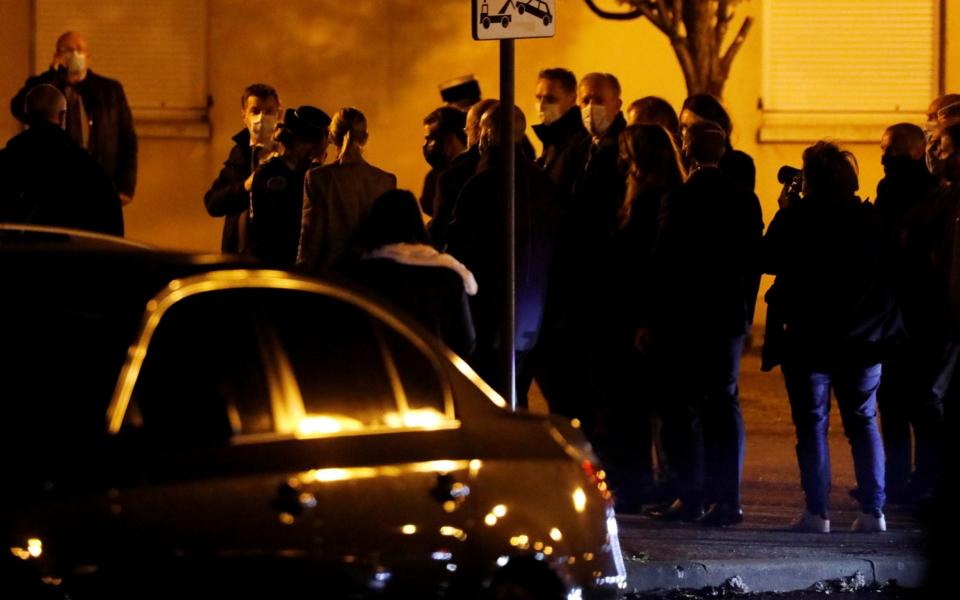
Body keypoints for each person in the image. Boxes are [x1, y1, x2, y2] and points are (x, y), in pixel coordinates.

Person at [762, 141, 902, 533]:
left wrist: (783, 210)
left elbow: (767, 259)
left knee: (811, 425)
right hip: (863, 340)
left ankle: (817, 512)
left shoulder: (797, 219)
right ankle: (874, 512)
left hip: (809, 340)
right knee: (864, 422)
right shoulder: (870, 219)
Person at [650, 120, 763, 526]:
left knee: (684, 409)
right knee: (724, 404)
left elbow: (664, 262)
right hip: (727, 316)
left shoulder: (679, 198)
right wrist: (745, 314)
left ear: (687, 151)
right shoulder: (745, 200)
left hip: (685, 316)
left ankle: (690, 494)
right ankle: (727, 499)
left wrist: (654, 317)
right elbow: (754, 263)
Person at [597, 124, 686, 513]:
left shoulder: (658, 199)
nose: (622, 161)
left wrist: (643, 319)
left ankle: (645, 487)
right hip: (630, 315)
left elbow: (653, 263)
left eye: (627, 154)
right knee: (635, 409)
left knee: (640, 409)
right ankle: (642, 485)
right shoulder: (646, 195)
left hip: (640, 320)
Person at [446, 103, 562, 396]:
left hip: (489, 316)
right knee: (517, 395)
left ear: (486, 134)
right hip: (533, 318)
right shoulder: (543, 184)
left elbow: (459, 250)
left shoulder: (481, 185)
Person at [873, 124, 942, 502]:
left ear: (916, 152)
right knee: (908, 403)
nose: (885, 158)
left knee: (904, 403)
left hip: (909, 310)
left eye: (893, 151)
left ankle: (904, 478)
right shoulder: (929, 189)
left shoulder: (923, 193)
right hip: (911, 310)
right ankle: (910, 478)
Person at [344, 189, 477, 358]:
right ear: (418, 222)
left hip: (374, 373)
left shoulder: (355, 273)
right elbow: (465, 343)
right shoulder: (448, 276)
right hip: (429, 374)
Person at [10, 31, 137, 206]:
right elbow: (19, 108)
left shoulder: (110, 90)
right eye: (68, 50)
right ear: (57, 55)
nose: (75, 54)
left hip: (100, 187)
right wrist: (53, 75)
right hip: (53, 189)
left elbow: (127, 138)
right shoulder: (44, 85)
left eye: (80, 49)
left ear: (88, 56)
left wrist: (126, 187)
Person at [0, 84, 122, 235]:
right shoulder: (89, 170)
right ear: (62, 116)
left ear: (27, 117)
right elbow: (111, 233)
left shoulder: (5, 163)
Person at [297, 107, 397, 272]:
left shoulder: (318, 178)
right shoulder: (386, 181)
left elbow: (311, 239)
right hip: (372, 280)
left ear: (331, 136)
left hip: (333, 278)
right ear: (365, 138)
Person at [244, 105, 331, 266]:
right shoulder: (270, 173)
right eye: (325, 143)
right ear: (310, 143)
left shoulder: (309, 173)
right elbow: (290, 219)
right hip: (271, 265)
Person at [204, 83, 281, 254]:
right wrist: (245, 186)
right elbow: (213, 202)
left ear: (279, 115)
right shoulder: (240, 153)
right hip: (238, 254)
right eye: (255, 111)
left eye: (269, 111)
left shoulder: (286, 152)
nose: (262, 118)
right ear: (244, 116)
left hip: (275, 256)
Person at [429, 98, 497, 251]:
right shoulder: (531, 168)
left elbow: (441, 231)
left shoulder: (455, 175)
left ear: (478, 129)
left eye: (467, 130)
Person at [679, 94, 755, 193]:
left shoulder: (739, 165)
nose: (686, 133)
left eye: (694, 126)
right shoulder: (679, 164)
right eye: (684, 126)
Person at [531, 68, 590, 194]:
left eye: (550, 99)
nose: (541, 105)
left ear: (572, 99)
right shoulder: (552, 137)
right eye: (538, 98)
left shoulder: (580, 140)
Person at [419, 107, 467, 216]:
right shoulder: (433, 177)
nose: (425, 145)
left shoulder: (472, 173)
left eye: (430, 139)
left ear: (449, 140)